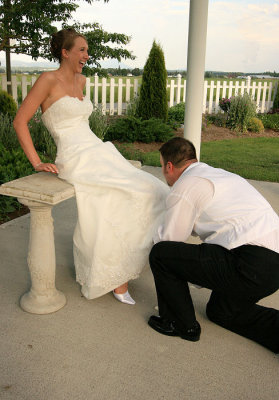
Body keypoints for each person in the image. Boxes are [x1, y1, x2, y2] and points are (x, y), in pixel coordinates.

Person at [13, 28, 169, 305]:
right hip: (74, 156)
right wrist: (36, 162)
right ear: (65, 52)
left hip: (98, 150)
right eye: (82, 50)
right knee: (116, 195)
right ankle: (114, 276)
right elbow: (19, 121)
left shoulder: (82, 80)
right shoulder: (47, 80)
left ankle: (128, 263)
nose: (87, 55)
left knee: (153, 188)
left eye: (86, 50)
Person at [148, 137, 279, 353]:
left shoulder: (185, 186)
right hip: (271, 268)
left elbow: (170, 241)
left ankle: (181, 325)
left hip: (249, 264)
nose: (163, 173)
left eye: (162, 167)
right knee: (221, 312)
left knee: (161, 254)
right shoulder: (219, 175)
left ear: (169, 166)